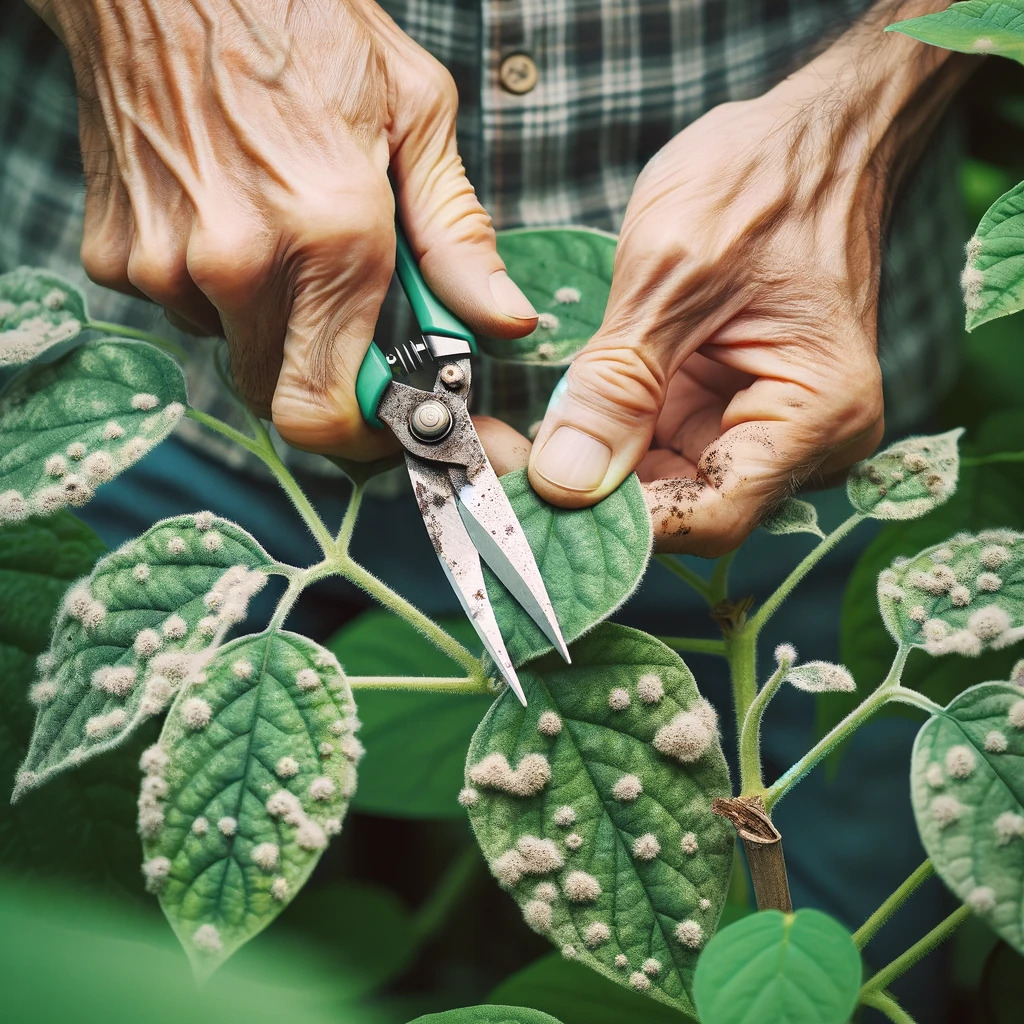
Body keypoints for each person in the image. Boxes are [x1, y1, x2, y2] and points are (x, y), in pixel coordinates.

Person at [1, 0, 973, 1016]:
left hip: (758, 402)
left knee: (843, 973)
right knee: (83, 944)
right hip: (147, 389)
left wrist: (865, 112)